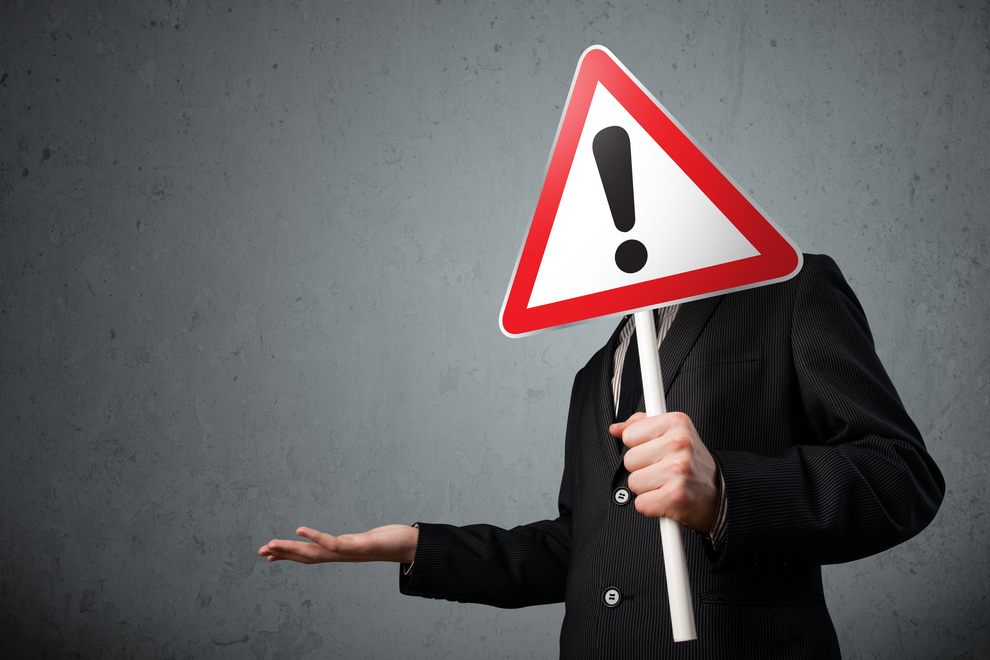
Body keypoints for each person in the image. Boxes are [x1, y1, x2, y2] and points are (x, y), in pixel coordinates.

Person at [259, 254, 944, 659]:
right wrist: (414, 545)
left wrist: (727, 492)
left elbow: (899, 472)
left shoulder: (788, 290)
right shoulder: (594, 377)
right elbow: (577, 547)